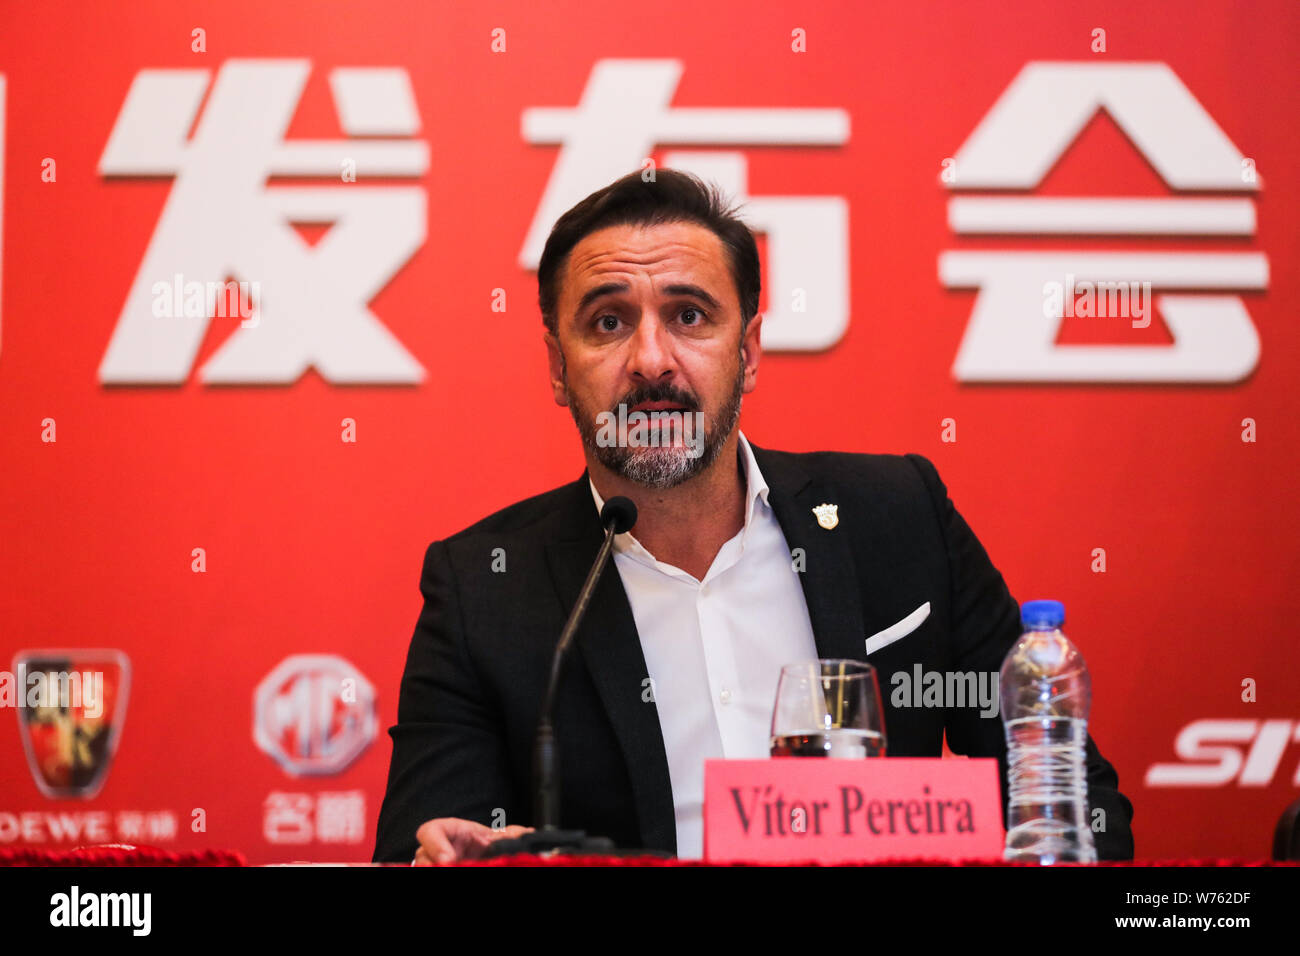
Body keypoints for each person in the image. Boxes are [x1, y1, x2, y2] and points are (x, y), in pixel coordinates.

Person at [372, 169, 1135, 864]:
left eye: (690, 316)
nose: (650, 360)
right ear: (556, 366)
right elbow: (428, 842)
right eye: (607, 323)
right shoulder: (484, 590)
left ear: (751, 350)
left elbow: (1077, 808)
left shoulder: (900, 520)